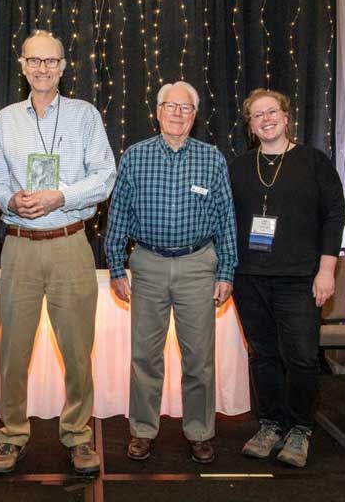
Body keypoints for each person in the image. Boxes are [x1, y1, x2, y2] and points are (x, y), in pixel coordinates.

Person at [0, 29, 116, 475]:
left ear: (63, 66)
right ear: (22, 65)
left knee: (78, 350)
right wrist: (9, 200)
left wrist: (60, 196)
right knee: (13, 353)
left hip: (69, 244)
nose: (43, 69)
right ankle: (12, 436)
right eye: (34, 61)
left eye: (51, 61)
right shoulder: (5, 121)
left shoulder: (84, 116)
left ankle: (79, 437)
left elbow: (105, 177)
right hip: (20, 248)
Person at [105, 81, 238, 464]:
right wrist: (116, 265)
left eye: (186, 108)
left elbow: (225, 219)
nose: (178, 113)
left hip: (199, 265)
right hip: (147, 264)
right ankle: (143, 431)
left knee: (199, 359)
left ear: (195, 116)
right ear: (158, 111)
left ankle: (199, 431)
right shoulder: (134, 156)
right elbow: (119, 215)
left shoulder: (211, 158)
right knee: (145, 357)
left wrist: (226, 270)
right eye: (170, 106)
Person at [230, 89, 345, 468]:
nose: (265, 119)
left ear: (286, 116)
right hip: (249, 278)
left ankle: (300, 428)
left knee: (300, 358)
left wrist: (327, 269)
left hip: (301, 278)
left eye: (271, 111)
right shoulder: (240, 167)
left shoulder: (313, 161)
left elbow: (334, 216)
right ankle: (270, 424)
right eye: (256, 115)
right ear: (250, 125)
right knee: (263, 355)